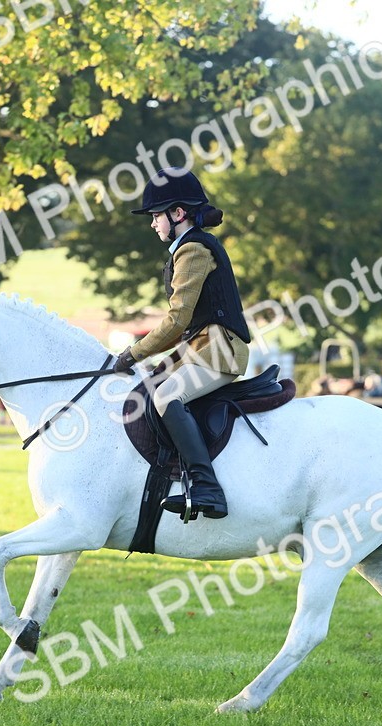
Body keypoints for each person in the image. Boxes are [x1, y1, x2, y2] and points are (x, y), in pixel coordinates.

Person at [113, 168, 251, 520]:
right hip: (201, 348)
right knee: (150, 389)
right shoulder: (183, 250)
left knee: (166, 396)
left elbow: (177, 321)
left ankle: (207, 489)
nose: (153, 223)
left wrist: (132, 352)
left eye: (157, 215)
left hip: (220, 350)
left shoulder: (193, 250)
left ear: (178, 213)